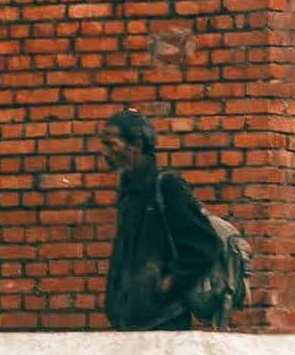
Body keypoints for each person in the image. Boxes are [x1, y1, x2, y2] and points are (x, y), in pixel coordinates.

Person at [97, 109, 242, 332]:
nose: (105, 153)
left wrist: (169, 282)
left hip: (164, 322)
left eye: (111, 145)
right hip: (129, 322)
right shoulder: (129, 191)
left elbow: (204, 245)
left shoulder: (167, 186)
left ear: (135, 145)